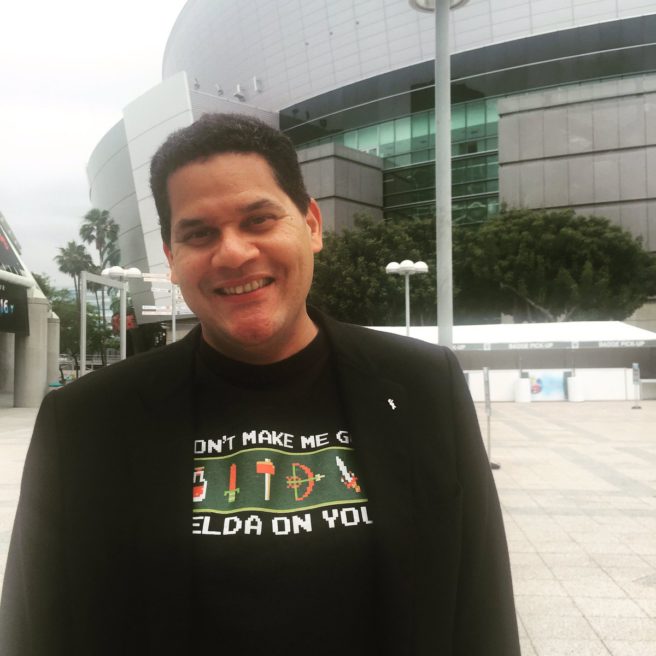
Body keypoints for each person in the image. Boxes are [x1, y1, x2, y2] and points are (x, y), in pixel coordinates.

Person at [0, 113, 520, 655]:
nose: (233, 253)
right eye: (199, 233)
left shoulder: (423, 385)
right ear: (173, 259)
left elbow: (479, 608)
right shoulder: (87, 420)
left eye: (258, 220)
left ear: (311, 225)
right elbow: (38, 629)